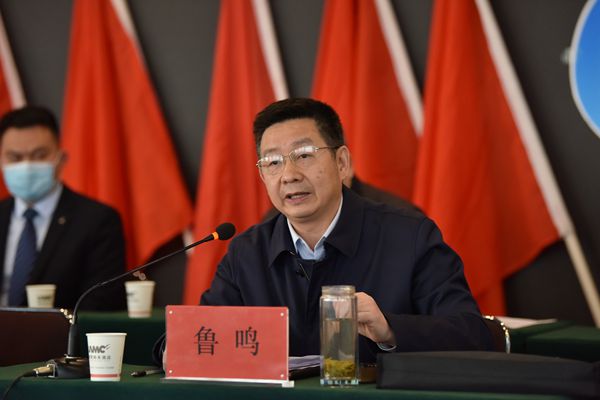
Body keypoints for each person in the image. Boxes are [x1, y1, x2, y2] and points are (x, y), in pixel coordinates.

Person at [155, 98, 492, 364]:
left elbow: (473, 335)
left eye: (304, 155)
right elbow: (198, 333)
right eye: (272, 162)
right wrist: (176, 348)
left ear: (342, 163)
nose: (288, 175)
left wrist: (389, 329)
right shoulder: (248, 252)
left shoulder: (410, 237)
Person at [0, 106, 126, 310]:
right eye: (15, 157)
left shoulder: (98, 221)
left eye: (39, 155)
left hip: (64, 331)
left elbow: (101, 302)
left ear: (61, 158)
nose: (27, 165)